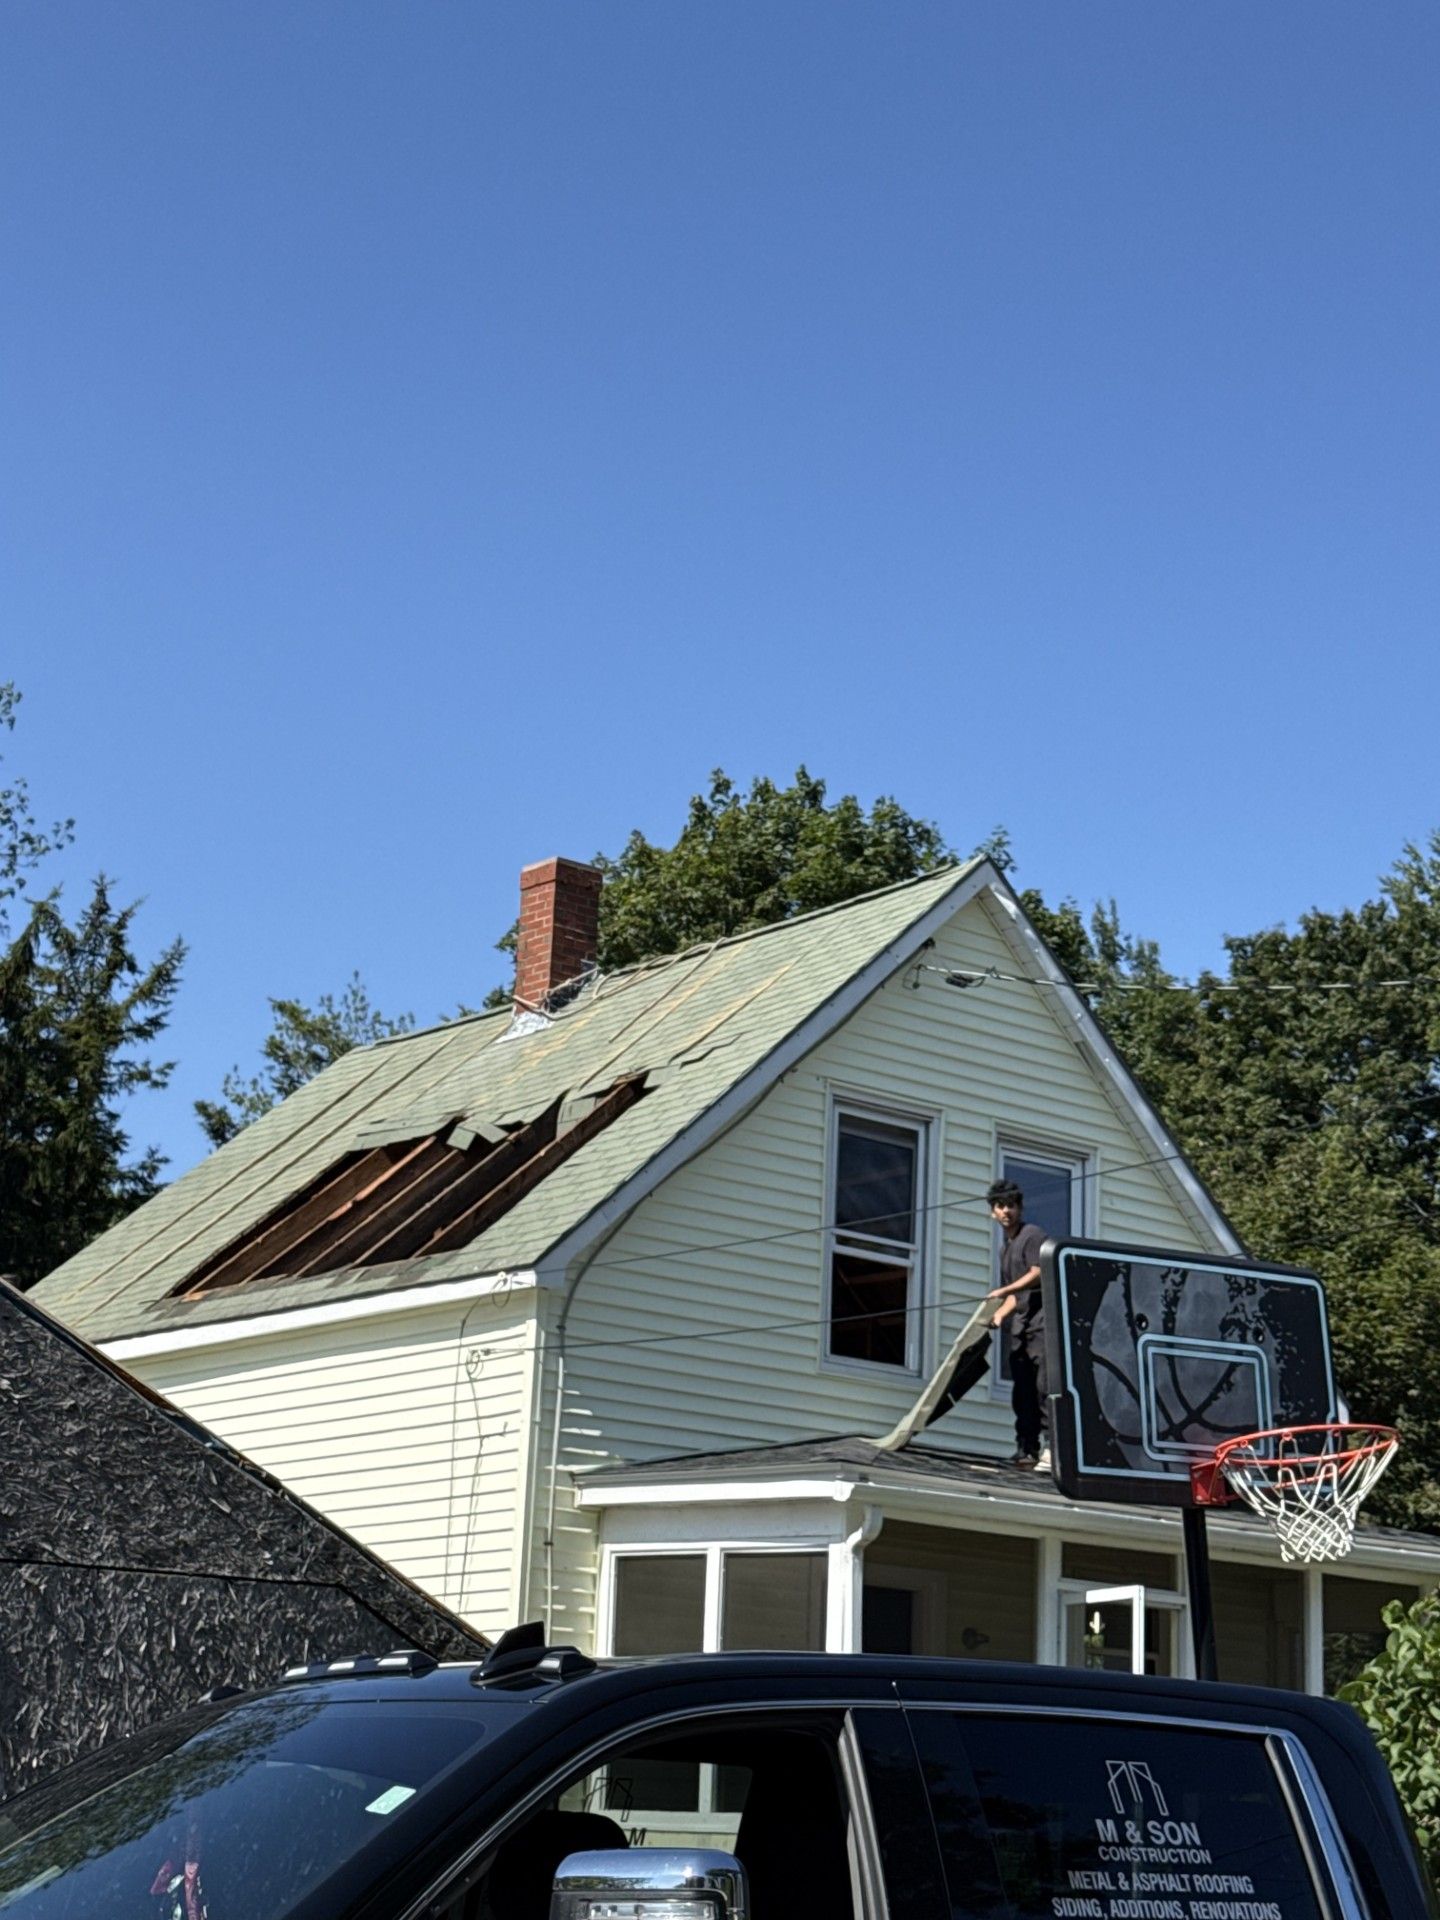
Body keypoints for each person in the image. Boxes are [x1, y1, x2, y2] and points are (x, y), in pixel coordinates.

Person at [985, 1179, 1050, 1470]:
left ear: (1020, 1208)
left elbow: (1037, 1273)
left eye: (1011, 1205)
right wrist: (999, 1314)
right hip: (1020, 1329)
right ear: (993, 1212)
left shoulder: (1032, 1235)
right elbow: (1015, 1295)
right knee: (1022, 1392)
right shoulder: (1004, 1249)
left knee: (1044, 1388)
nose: (1006, 1211)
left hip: (1042, 1326)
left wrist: (1004, 1292)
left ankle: (1053, 1451)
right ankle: (1026, 1450)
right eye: (1000, 1206)